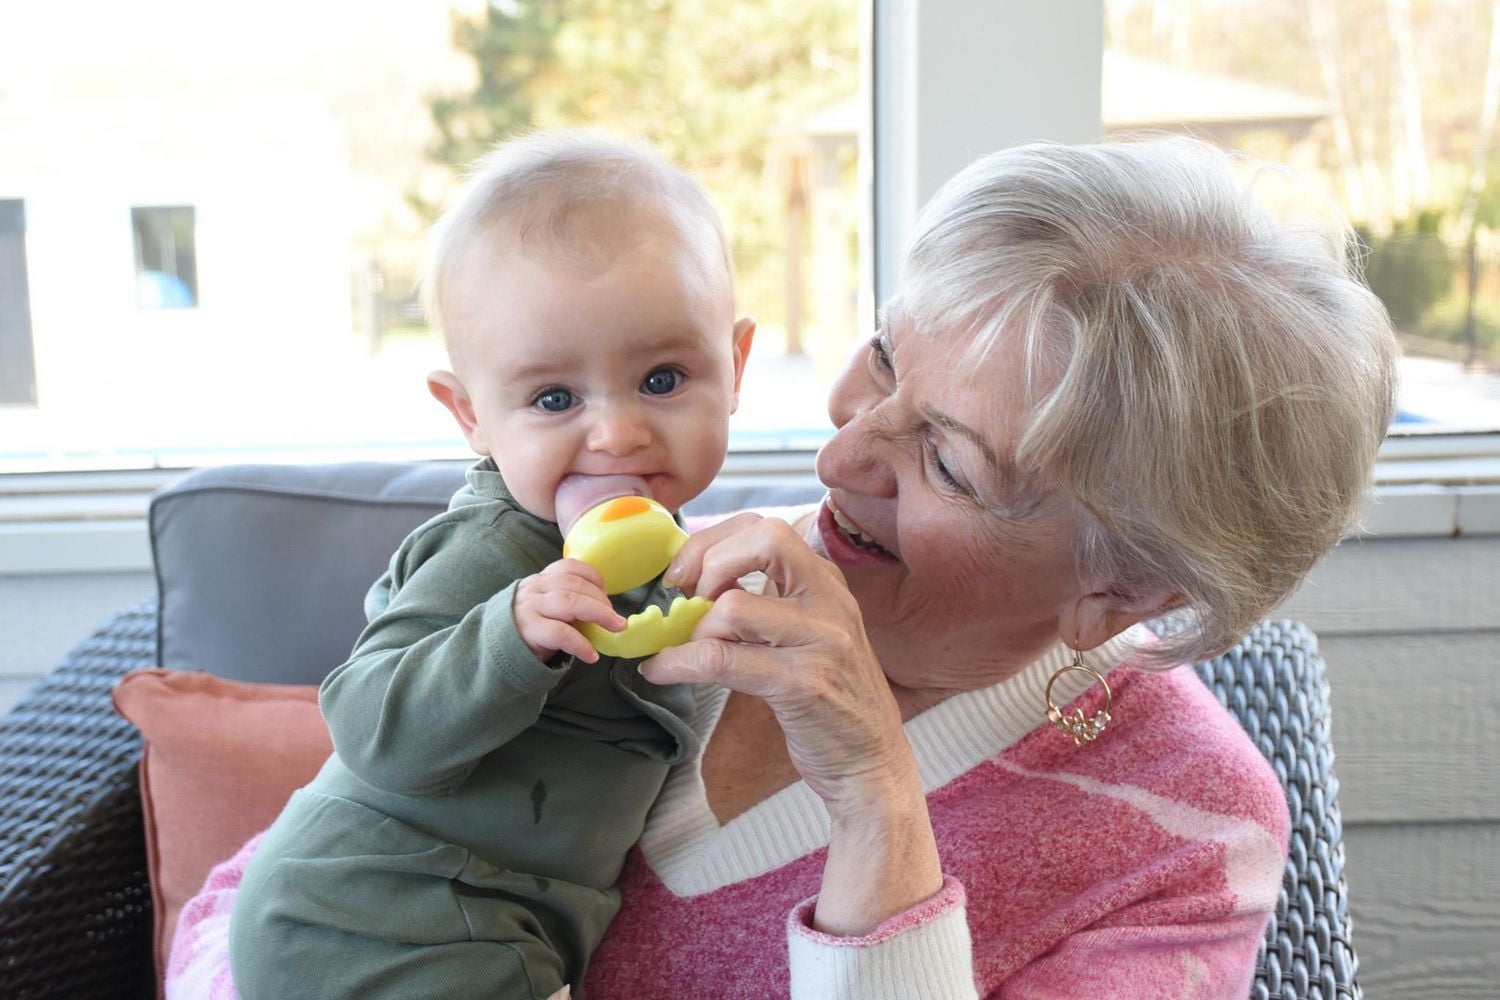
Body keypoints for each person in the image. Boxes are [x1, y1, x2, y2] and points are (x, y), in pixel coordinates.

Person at [177, 135, 1398, 999]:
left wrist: (877, 799)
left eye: (952, 463)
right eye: (881, 361)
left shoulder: (1180, 835)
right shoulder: (651, 558)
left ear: (1125, 589)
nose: (842, 450)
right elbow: (275, 881)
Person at [226, 130, 755, 1000]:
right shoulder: (497, 551)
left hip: (498, 926)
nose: (617, 433)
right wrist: (507, 634)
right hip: (376, 911)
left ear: (733, 368)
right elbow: (366, 725)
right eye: (555, 399)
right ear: (470, 415)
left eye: (663, 379)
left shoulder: (674, 546)